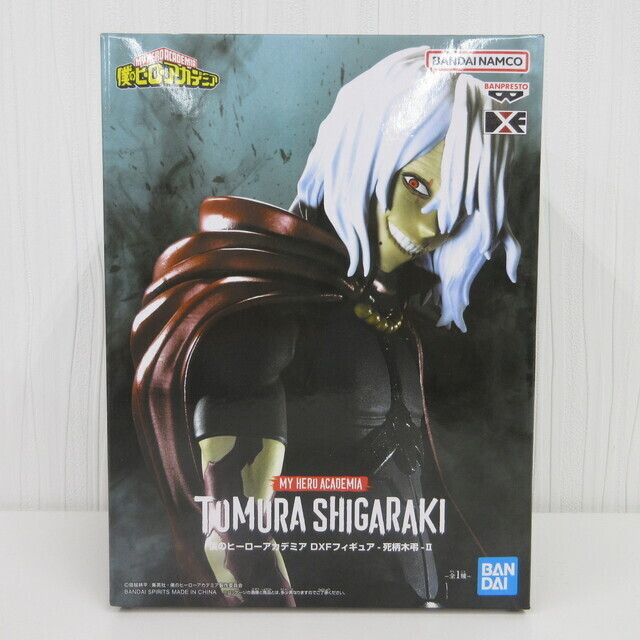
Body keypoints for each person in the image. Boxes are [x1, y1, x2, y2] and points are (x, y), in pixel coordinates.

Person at [131, 46, 520, 608]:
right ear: (359, 154)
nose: (430, 227)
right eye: (416, 186)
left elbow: (428, 498)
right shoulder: (266, 318)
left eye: (455, 202)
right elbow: (236, 542)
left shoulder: (397, 325)